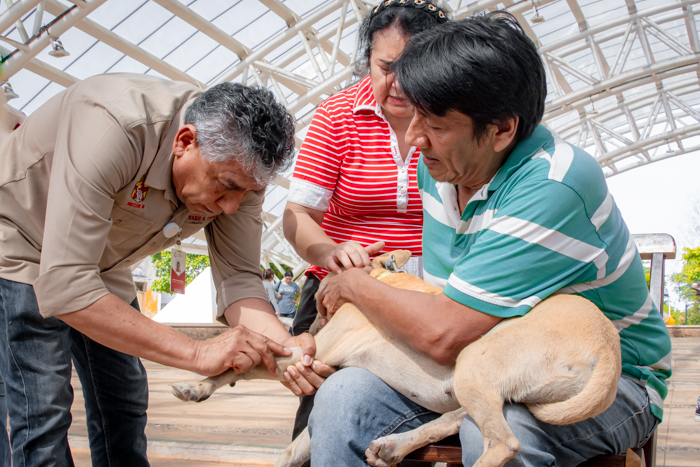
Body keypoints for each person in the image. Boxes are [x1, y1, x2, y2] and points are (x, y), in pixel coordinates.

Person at [311, 14, 672, 466]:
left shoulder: (554, 184)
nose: (414, 138)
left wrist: (355, 284)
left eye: (436, 125)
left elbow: (443, 332)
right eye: (415, 115)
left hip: (607, 378)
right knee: (344, 397)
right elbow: (449, 307)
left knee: (502, 429)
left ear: (501, 129)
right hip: (487, 353)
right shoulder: (440, 167)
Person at [0, 74, 332, 465]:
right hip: (22, 244)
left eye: (248, 193)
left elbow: (240, 279)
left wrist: (285, 347)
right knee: (44, 408)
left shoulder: (239, 175)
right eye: (225, 187)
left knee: (123, 398)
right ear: (185, 142)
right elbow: (66, 285)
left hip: (105, 262)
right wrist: (196, 352)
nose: (230, 207)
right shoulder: (115, 125)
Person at [282, 0, 449, 453]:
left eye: (412, 67)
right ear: (368, 61)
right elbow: (297, 216)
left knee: (420, 411)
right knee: (318, 410)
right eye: (385, 66)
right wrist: (329, 254)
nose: (396, 83)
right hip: (341, 287)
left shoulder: (454, 119)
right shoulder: (337, 116)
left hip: (429, 293)